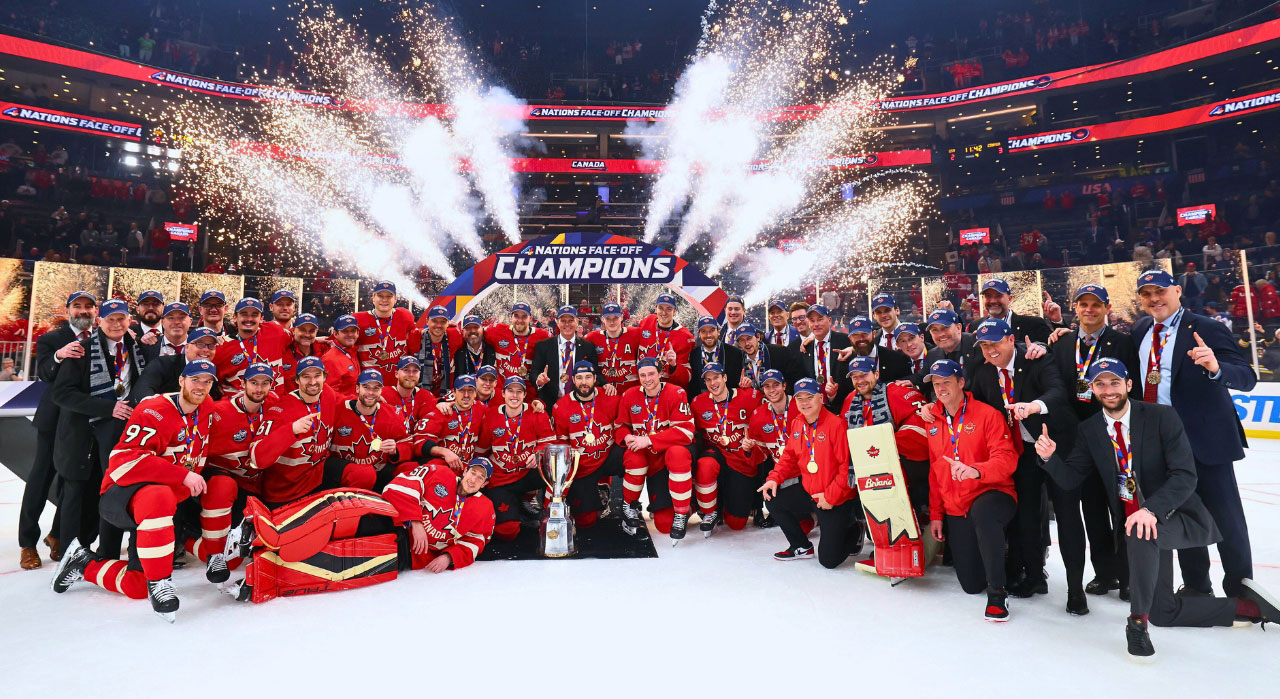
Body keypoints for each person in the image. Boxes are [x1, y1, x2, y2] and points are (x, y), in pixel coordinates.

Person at [1034, 359, 1279, 661]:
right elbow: (1071, 479)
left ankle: (1137, 624)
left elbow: (1185, 475)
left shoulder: (1162, 417)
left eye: (1114, 383)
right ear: (1093, 389)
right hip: (1139, 525)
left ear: (1128, 385)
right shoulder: (1090, 430)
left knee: (1139, 531)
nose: (1108, 390)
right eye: (1100, 384)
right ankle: (1252, 609)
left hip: (1174, 514)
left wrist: (1150, 510)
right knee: (1163, 611)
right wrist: (1050, 458)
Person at [50, 359, 221, 622]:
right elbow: (122, 460)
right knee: (159, 495)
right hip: (124, 496)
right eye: (195, 379)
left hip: (164, 509)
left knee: (136, 586)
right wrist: (182, 474)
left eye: (207, 381)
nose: (201, 386)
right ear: (181, 380)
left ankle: (83, 562)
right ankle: (161, 582)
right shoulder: (155, 409)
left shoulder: (205, 407)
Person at [1130, 269, 1257, 599]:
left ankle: (1241, 593)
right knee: (1183, 516)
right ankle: (1198, 586)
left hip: (1204, 441)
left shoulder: (1207, 328)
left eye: (1161, 291)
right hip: (1162, 444)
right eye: (1146, 294)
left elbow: (1246, 376)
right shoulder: (1141, 329)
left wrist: (1216, 368)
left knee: (1226, 519)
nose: (1154, 298)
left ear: (1177, 291)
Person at [964, 317, 1079, 603]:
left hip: (1055, 444)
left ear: (1010, 339)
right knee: (1026, 515)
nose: (990, 350)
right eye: (984, 344)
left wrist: (1033, 406)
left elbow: (1057, 393)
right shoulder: (983, 371)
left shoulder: (1034, 357)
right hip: (1021, 452)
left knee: (1066, 517)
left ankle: (1076, 590)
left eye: (996, 343)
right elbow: (974, 406)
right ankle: (1035, 577)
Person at [1048, 284, 1141, 600]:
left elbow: (1135, 389)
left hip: (1117, 442)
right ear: (1075, 308)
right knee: (1094, 512)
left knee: (1124, 508)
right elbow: (1057, 391)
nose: (1089, 310)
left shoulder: (1123, 343)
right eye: (1083, 304)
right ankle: (1106, 574)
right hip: (1081, 444)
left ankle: (1130, 577)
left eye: (1096, 304)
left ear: (1107, 307)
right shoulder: (1062, 344)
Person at [52, 299, 148, 560]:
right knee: (76, 494)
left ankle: (106, 551)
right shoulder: (81, 350)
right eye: (110, 319)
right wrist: (108, 408)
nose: (116, 324)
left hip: (118, 432)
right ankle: (70, 553)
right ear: (99, 322)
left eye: (121, 318)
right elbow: (62, 394)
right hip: (82, 433)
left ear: (130, 321)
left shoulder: (135, 346)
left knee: (112, 489)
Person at [924, 359, 1019, 621]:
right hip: (956, 505)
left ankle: (998, 593)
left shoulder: (987, 415)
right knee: (970, 584)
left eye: (946, 382)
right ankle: (1001, 555)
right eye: (936, 383)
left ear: (961, 383)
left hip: (992, 493)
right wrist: (936, 514)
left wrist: (977, 470)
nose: (941, 388)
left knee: (984, 513)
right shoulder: (932, 420)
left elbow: (1007, 459)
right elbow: (935, 471)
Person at [18, 290, 97, 570]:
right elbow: (46, 374)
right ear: (68, 311)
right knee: (40, 479)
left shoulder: (100, 340)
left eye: (89, 306)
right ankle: (27, 543)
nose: (84, 311)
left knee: (73, 482)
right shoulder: (51, 339)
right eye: (78, 306)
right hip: (54, 422)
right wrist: (60, 357)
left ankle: (57, 535)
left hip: (83, 422)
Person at [757, 378, 861, 568]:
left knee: (829, 561)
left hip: (834, 498)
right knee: (772, 499)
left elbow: (848, 468)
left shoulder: (836, 425)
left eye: (810, 397)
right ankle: (800, 546)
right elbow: (788, 456)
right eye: (800, 398)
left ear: (821, 398)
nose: (804, 403)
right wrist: (774, 478)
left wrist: (830, 497)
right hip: (810, 492)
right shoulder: (798, 423)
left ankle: (853, 528)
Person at [250, 356, 359, 507]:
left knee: (361, 475)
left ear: (324, 377)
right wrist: (291, 430)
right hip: (285, 492)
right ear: (297, 380)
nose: (313, 382)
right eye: (306, 377)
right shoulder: (281, 409)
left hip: (317, 476)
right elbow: (256, 458)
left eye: (317, 376)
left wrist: (369, 400)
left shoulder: (326, 393)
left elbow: (343, 400)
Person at [615, 357, 695, 540]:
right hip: (652, 462)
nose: (647, 378)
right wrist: (627, 435)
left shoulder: (676, 392)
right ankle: (629, 505)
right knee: (664, 525)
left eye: (651, 373)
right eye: (642, 375)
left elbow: (686, 432)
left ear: (660, 373)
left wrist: (648, 440)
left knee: (677, 453)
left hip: (672, 459)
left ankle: (685, 510)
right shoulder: (630, 394)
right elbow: (620, 426)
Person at [840, 355, 930, 512]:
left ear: (876, 374)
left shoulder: (897, 391)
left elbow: (920, 428)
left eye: (864, 375)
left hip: (901, 465)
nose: (860, 380)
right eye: (855, 377)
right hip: (867, 469)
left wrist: (884, 443)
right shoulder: (849, 400)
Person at [689, 362, 764, 535]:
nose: (712, 383)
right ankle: (707, 509)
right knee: (705, 464)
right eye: (708, 380)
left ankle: (725, 504)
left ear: (725, 378)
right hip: (716, 456)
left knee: (736, 524)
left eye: (716, 378)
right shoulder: (698, 403)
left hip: (740, 463)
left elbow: (770, 409)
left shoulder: (750, 396)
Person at [478, 375, 554, 541]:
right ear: (503, 394)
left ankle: (549, 512)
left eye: (519, 392)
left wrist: (539, 452)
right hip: (501, 480)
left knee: (554, 467)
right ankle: (518, 508)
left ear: (525, 395)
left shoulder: (536, 413)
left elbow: (549, 442)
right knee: (507, 531)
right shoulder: (491, 417)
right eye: (510, 391)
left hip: (527, 474)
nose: (514, 395)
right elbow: (481, 451)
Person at [552, 361, 625, 528]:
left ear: (595, 379)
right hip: (583, 467)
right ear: (573, 380)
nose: (583, 382)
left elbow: (624, 427)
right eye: (579, 378)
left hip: (608, 456)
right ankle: (594, 490)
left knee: (633, 456)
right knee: (587, 521)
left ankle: (630, 504)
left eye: (587, 377)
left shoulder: (611, 397)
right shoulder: (561, 407)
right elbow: (562, 444)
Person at [329, 369, 414, 492]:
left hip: (379, 474)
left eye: (376, 388)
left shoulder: (392, 414)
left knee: (411, 467)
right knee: (364, 475)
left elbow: (408, 444)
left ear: (381, 391)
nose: (370, 392)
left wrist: (396, 450)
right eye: (366, 387)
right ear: (357, 388)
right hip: (346, 476)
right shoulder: (339, 408)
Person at [212, 298, 290, 394]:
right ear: (235, 318)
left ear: (261, 318)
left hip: (276, 406)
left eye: (254, 315)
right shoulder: (222, 346)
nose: (249, 319)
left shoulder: (275, 331)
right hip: (241, 407)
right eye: (244, 314)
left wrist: (314, 340)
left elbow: (300, 337)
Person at [529, 305, 601, 409]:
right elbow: (534, 372)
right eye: (563, 320)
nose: (567, 324)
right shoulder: (543, 346)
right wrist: (538, 380)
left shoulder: (588, 347)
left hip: (580, 404)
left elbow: (595, 373)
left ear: (577, 322)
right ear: (557, 322)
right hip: (551, 404)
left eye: (571, 320)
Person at [416, 374, 489, 473]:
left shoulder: (481, 410)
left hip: (467, 469)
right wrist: (445, 452)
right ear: (454, 393)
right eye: (462, 390)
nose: (466, 395)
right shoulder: (442, 411)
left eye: (470, 390)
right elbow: (419, 442)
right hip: (442, 466)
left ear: (475, 393)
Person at [130, 327, 223, 402]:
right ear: (187, 347)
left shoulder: (212, 373)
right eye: (200, 345)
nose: (206, 350)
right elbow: (143, 386)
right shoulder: (163, 363)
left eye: (211, 346)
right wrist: (153, 404)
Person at [789, 304, 852, 411]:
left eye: (820, 319)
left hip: (844, 406)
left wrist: (853, 348)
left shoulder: (846, 341)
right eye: (812, 320)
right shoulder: (805, 347)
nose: (816, 324)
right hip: (816, 409)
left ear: (830, 320)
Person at [356, 281, 418, 383]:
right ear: (373, 298)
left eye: (389, 296)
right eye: (380, 296)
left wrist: (445, 326)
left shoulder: (405, 316)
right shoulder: (358, 319)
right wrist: (319, 339)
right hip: (371, 387)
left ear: (395, 299)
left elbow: (419, 334)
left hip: (399, 387)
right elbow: (339, 340)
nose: (384, 300)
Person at [635, 293, 694, 388]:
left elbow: (687, 378)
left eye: (669, 309)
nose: (664, 312)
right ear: (656, 308)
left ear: (675, 311)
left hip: (668, 390)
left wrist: (674, 366)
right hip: (644, 389)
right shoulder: (647, 322)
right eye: (661, 308)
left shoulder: (685, 336)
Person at [967, 278, 1052, 343]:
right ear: (982, 299)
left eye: (998, 296)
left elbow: (1055, 349)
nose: (993, 301)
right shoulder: (975, 326)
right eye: (988, 296)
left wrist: (1057, 321)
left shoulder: (1033, 324)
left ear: (1009, 298)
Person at [585, 302, 642, 395]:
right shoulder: (592, 337)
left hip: (630, 393)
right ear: (603, 319)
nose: (612, 322)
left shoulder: (635, 333)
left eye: (615, 318)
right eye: (608, 318)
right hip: (604, 394)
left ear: (622, 317)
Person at [486, 302, 549, 385]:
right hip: (503, 392)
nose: (520, 320)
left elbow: (559, 343)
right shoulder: (497, 331)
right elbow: (474, 333)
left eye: (524, 317)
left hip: (529, 392)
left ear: (530, 318)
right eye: (516, 316)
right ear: (511, 317)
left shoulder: (542, 335)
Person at [734, 324, 809, 391]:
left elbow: (797, 379)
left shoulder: (780, 352)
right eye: (742, 340)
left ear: (758, 337)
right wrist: (745, 388)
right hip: (756, 403)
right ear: (739, 344)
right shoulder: (738, 360)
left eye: (749, 338)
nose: (747, 343)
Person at [382, 356, 437, 443]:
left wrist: (443, 403)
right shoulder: (383, 393)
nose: (411, 375)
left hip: (417, 447)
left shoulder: (426, 396)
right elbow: (355, 399)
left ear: (419, 374)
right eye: (406, 370)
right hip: (390, 447)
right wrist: (373, 399)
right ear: (396, 374)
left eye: (415, 371)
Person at [688, 315, 744, 397]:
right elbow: (693, 386)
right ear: (699, 334)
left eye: (712, 330)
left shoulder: (734, 353)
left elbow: (737, 383)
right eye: (704, 331)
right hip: (702, 402)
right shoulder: (693, 355)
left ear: (718, 331)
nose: (708, 335)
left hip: (728, 402)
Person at [416, 306, 464, 398]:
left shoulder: (455, 336)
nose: (438, 325)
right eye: (434, 321)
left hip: (446, 396)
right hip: (421, 395)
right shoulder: (416, 337)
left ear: (448, 323)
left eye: (443, 321)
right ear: (427, 321)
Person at [279, 313, 329, 393]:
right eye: (303, 330)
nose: (307, 334)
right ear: (294, 330)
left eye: (311, 331)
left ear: (316, 332)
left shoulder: (324, 349)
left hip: (316, 402)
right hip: (288, 402)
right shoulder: (283, 350)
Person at [322, 314, 361, 399]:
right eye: (345, 331)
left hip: (355, 407)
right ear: (335, 334)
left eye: (353, 331)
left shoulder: (352, 351)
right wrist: (357, 403)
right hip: (343, 409)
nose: (350, 334)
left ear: (358, 333)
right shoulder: (330, 359)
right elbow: (329, 394)